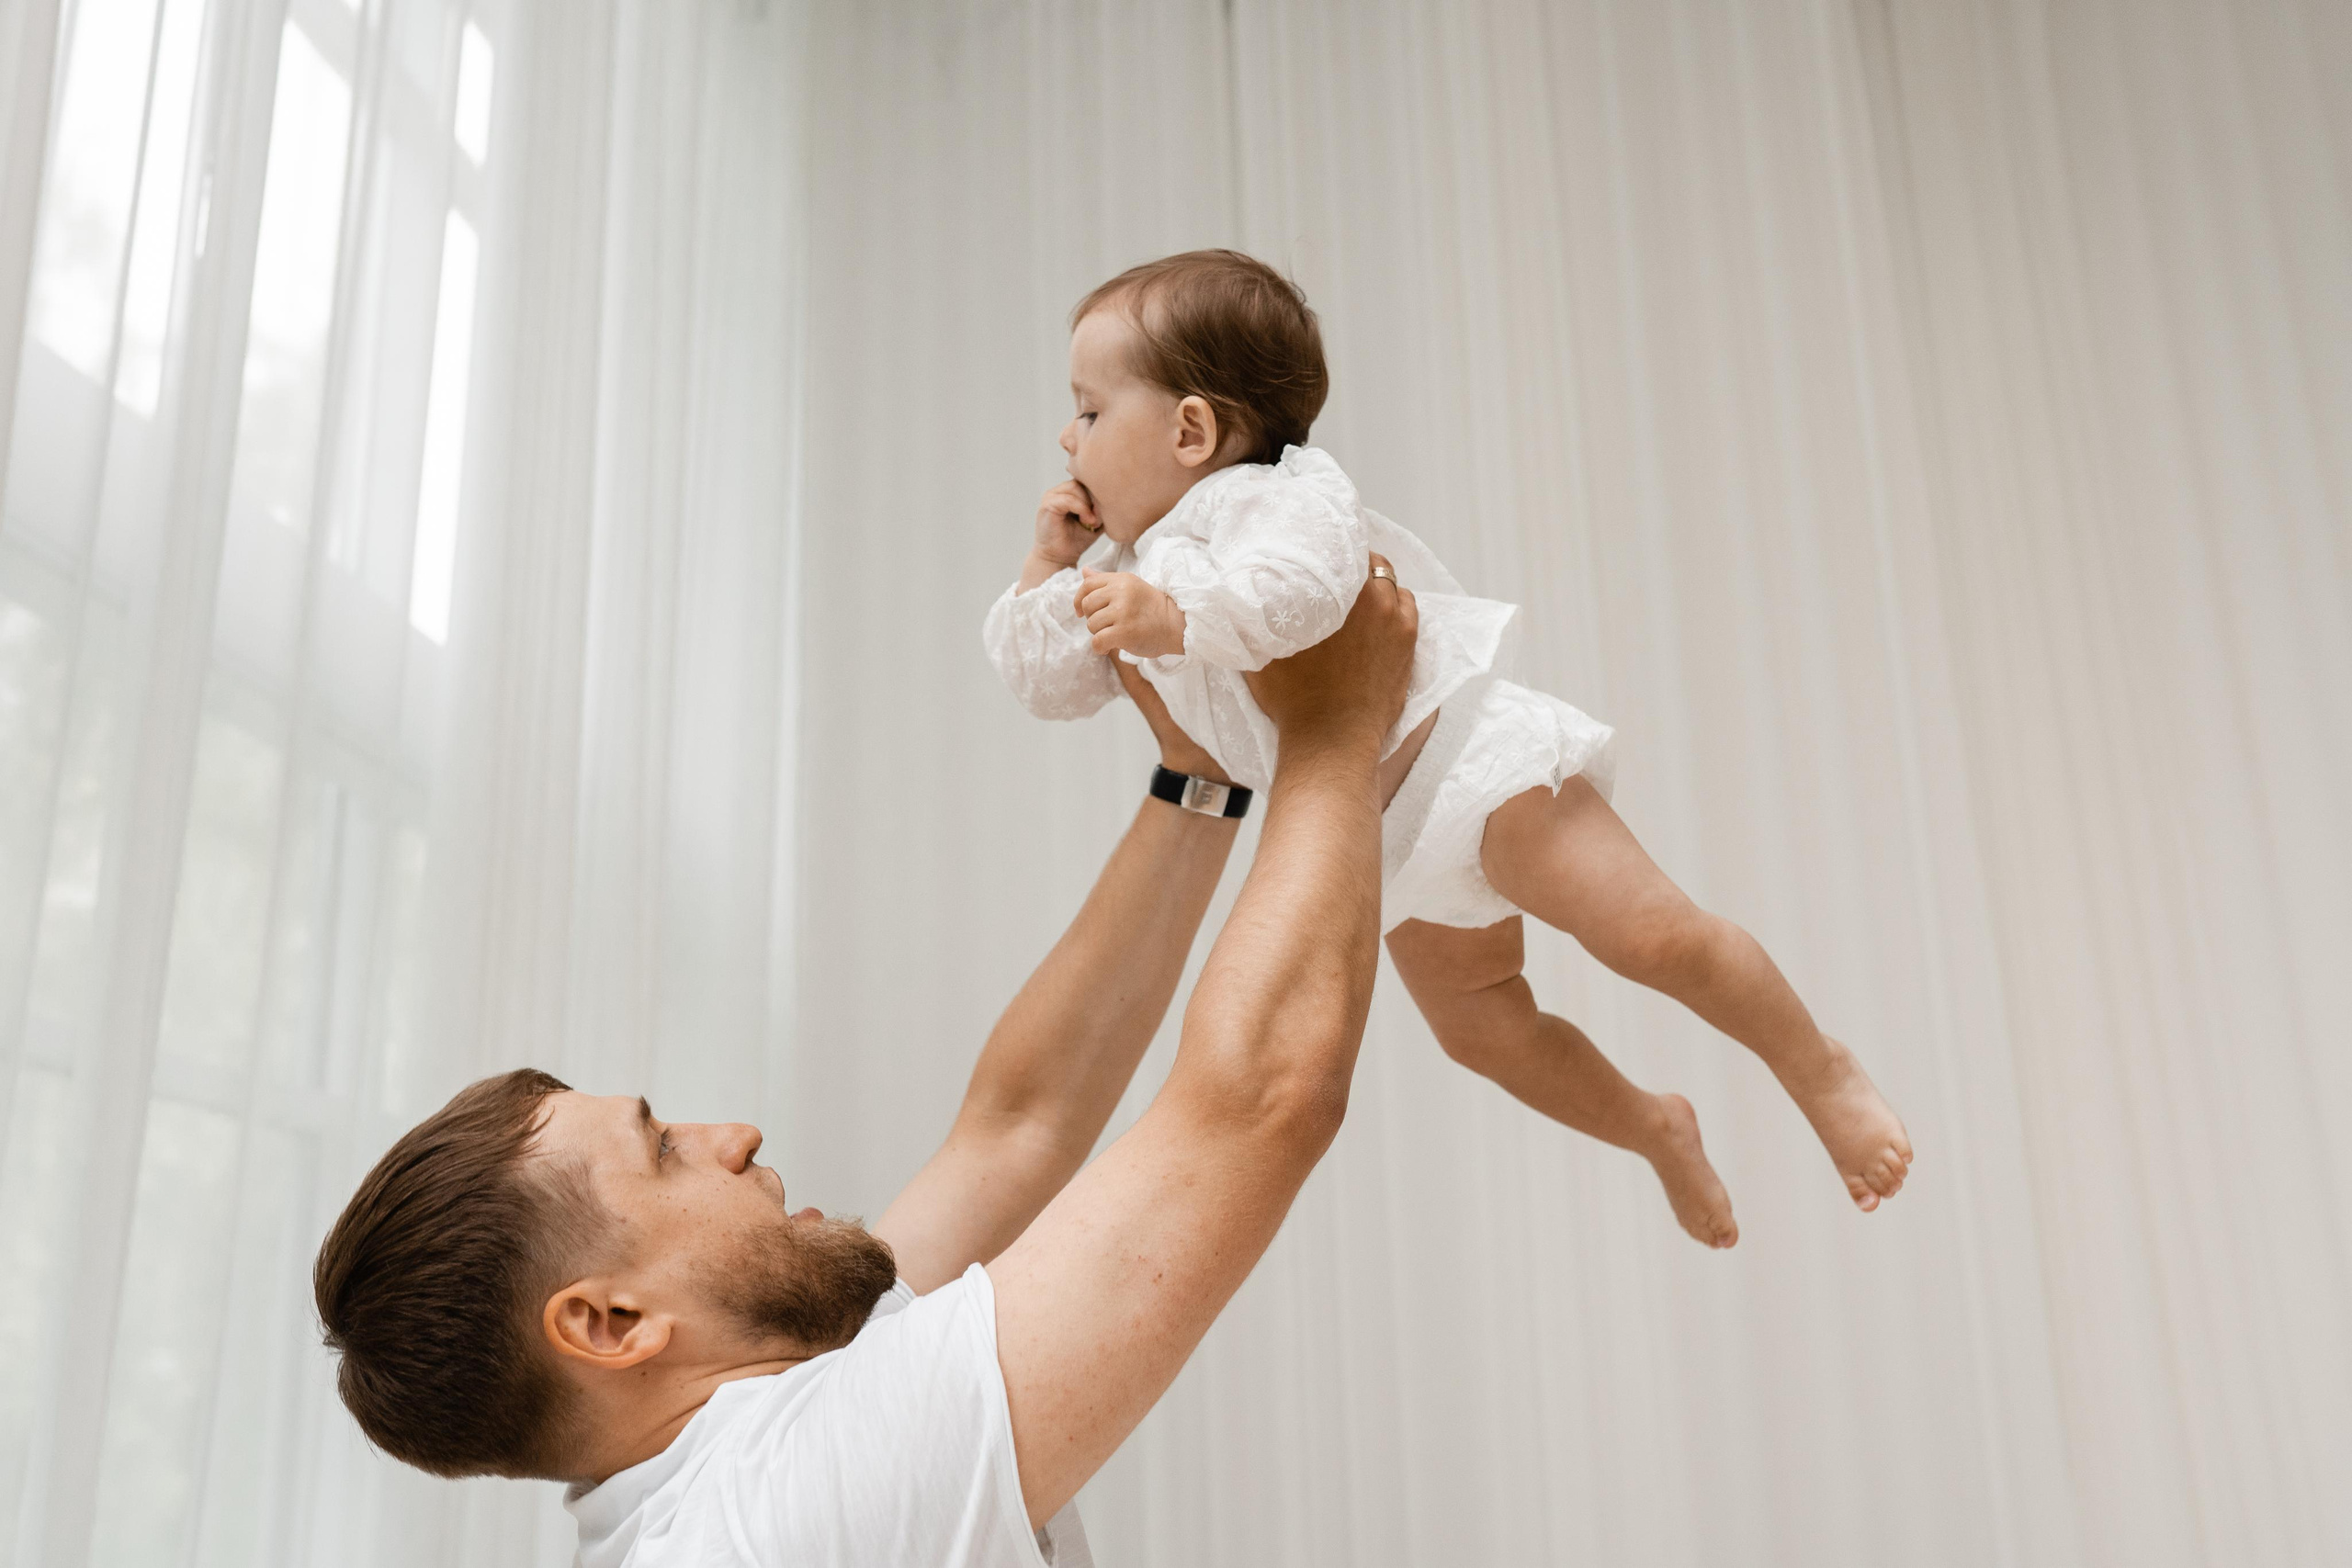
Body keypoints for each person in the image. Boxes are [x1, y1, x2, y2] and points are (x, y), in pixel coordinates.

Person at [311, 568, 1420, 1566]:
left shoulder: (767, 1415)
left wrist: (1200, 778)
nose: (731, 1135)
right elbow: (1259, 1100)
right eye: (662, 1150)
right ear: (609, 1323)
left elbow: (1018, 1123)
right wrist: (1332, 727)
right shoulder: (785, 1512)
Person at [984, 249, 1913, 1249]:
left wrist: (1172, 615)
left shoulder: (1281, 500)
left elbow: (1299, 595)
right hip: (1385, 849)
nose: (1066, 436)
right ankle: (1653, 1127)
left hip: (1472, 774)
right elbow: (1051, 684)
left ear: (1191, 429)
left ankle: (1818, 1064)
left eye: (1088, 410)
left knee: (1653, 938)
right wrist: (1048, 566)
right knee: (1484, 1033)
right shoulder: (1131, 565)